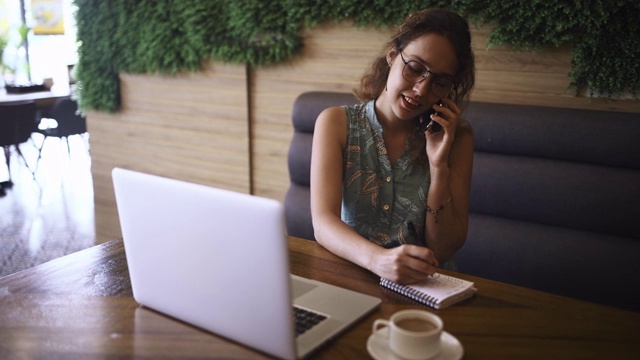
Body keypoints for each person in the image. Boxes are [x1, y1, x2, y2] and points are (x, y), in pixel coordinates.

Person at [310, 8, 475, 285]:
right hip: (354, 277)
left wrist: (439, 166)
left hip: (425, 289)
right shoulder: (336, 123)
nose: (422, 89)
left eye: (440, 82)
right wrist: (379, 260)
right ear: (391, 56)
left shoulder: (457, 139)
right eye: (414, 68)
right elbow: (323, 224)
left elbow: (443, 250)